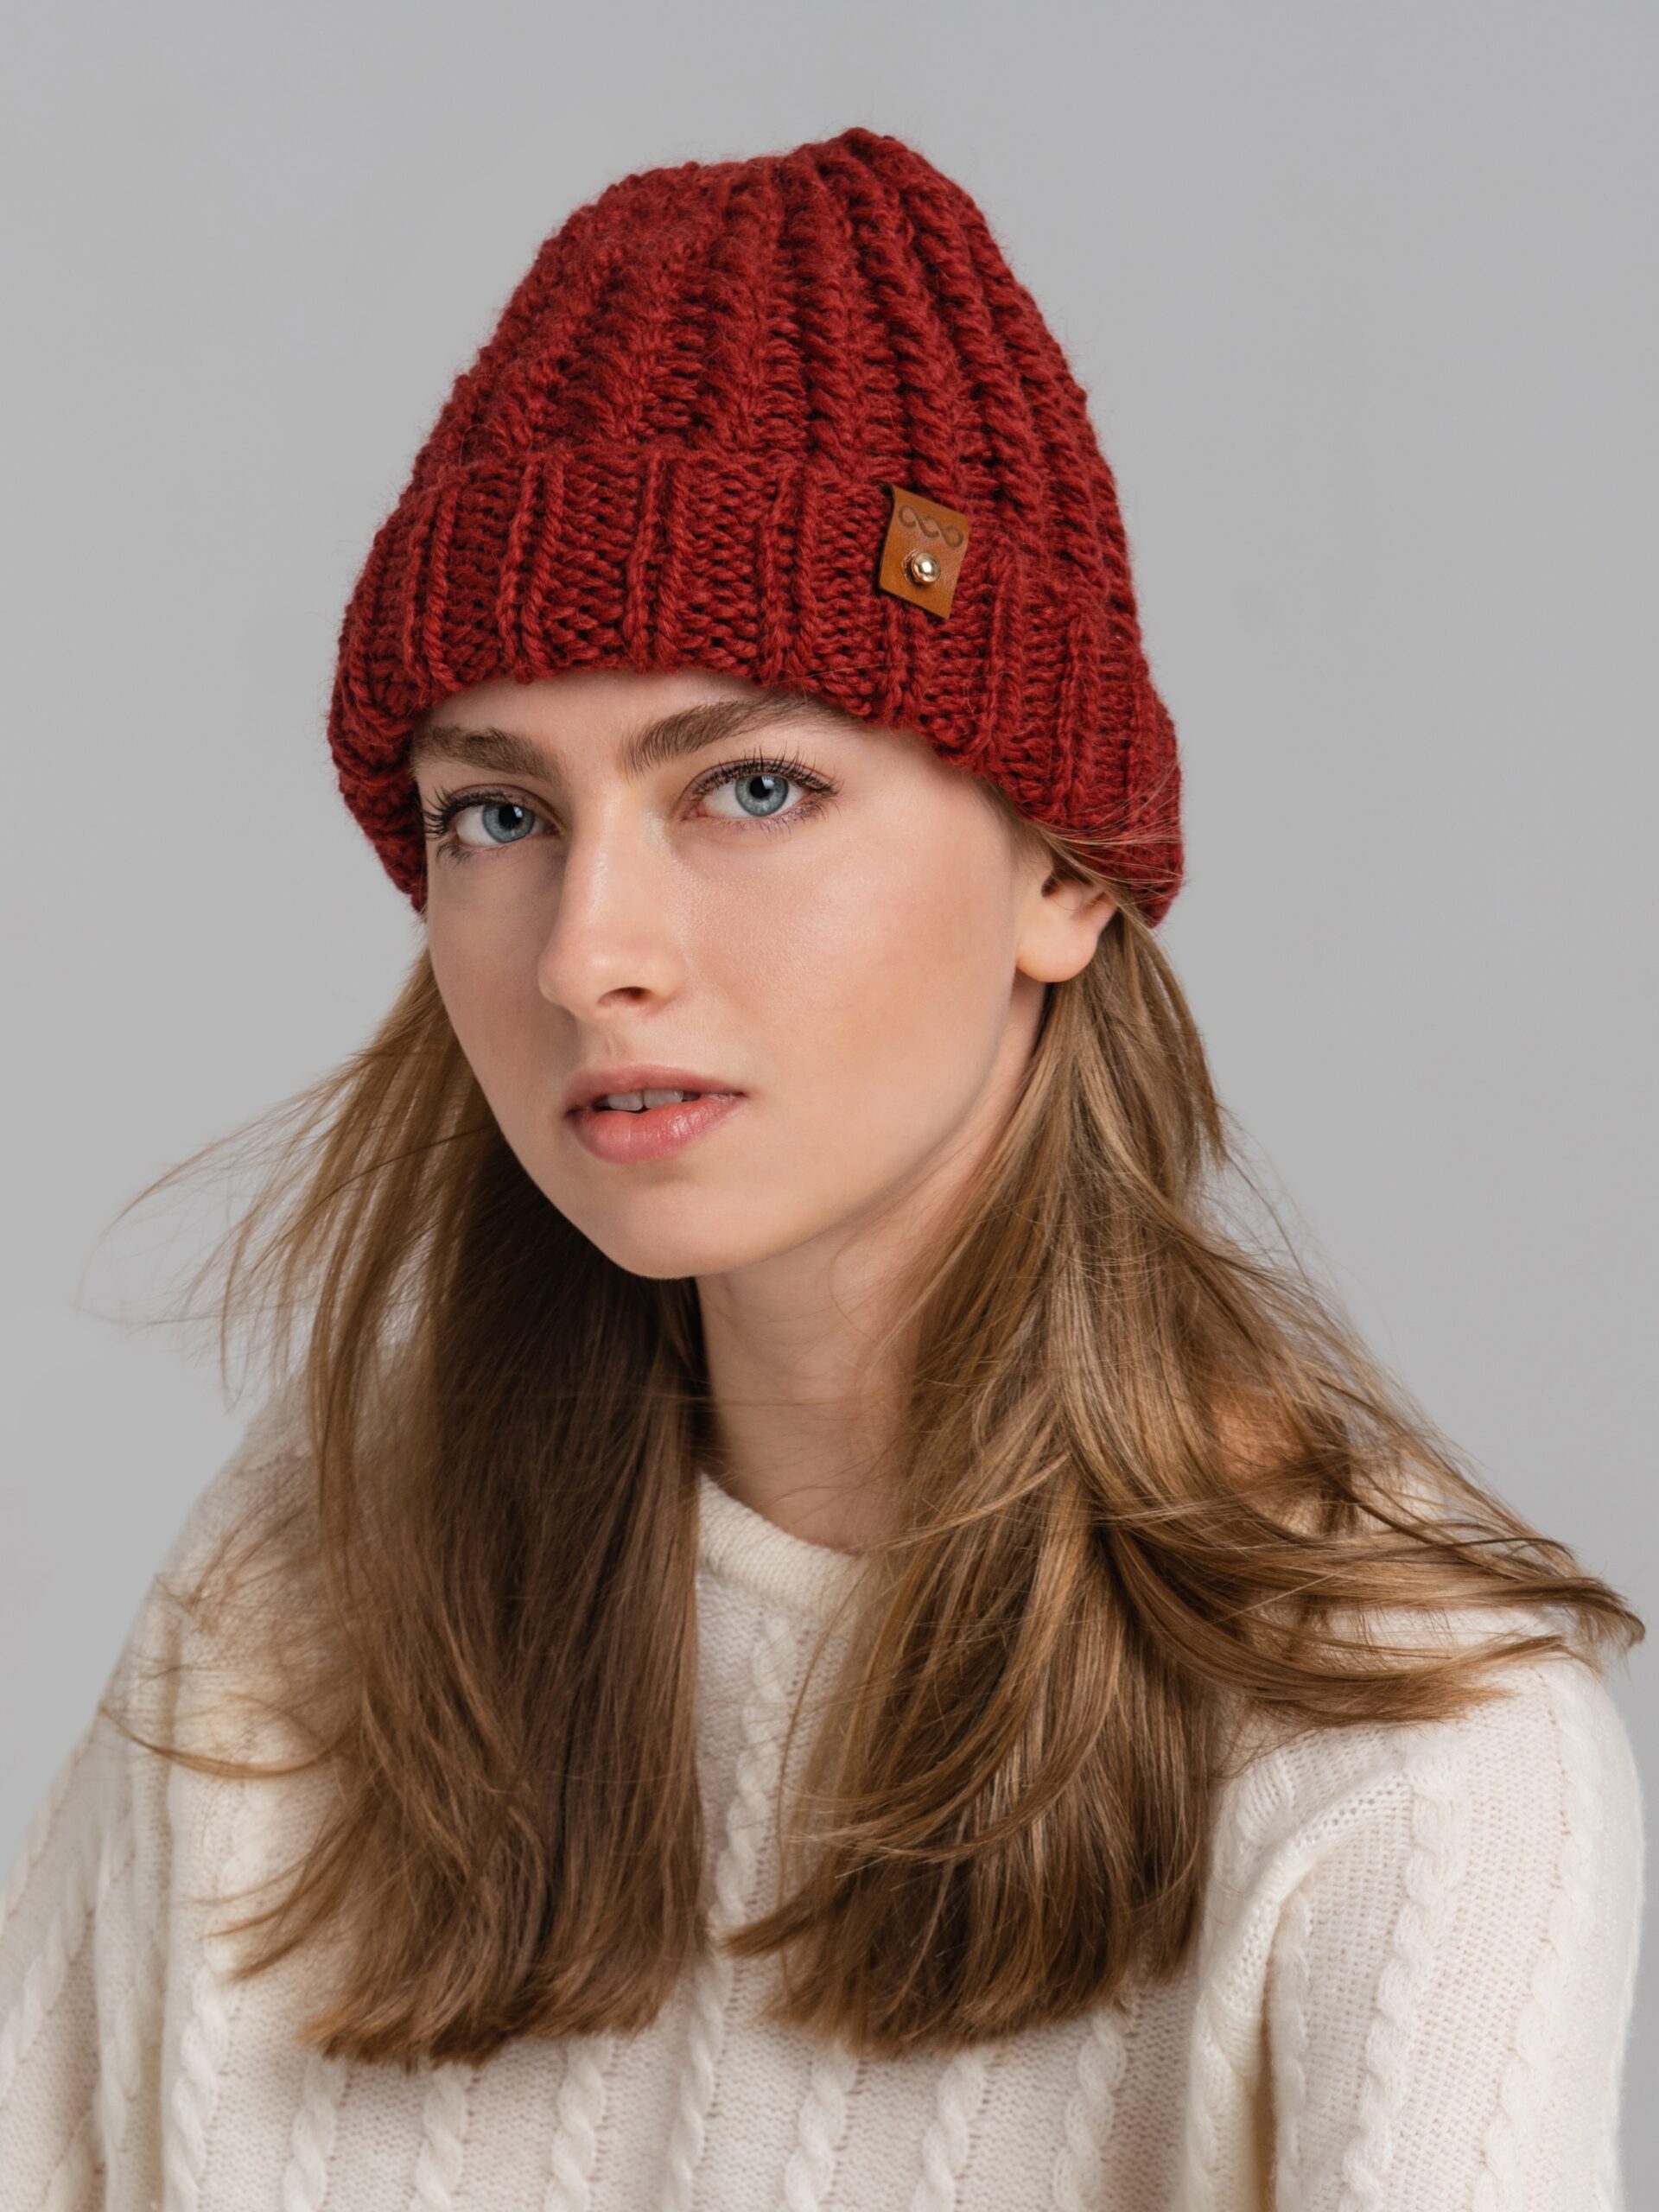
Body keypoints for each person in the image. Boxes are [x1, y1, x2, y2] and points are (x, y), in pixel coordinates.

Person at [0, 124, 1644, 2212]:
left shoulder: (1406, 1762)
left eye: (753, 785)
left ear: (1060, 868)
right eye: (497, 813)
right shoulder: (300, 1590)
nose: (588, 951)